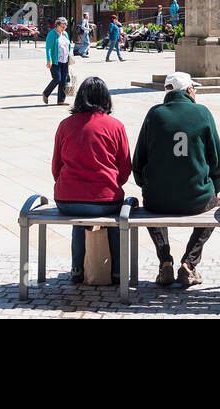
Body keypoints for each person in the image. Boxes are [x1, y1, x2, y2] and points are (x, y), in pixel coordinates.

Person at [132, 72, 220, 288]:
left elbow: (139, 159)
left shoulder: (154, 115)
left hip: (157, 199)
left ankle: (165, 261)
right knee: (215, 207)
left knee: (151, 202)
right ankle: (189, 264)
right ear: (189, 91)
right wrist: (216, 187)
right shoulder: (202, 113)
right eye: (194, 89)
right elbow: (217, 160)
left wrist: (145, 184)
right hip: (197, 198)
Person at [52, 77, 132, 284]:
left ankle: (77, 268)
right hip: (105, 200)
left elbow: (56, 166)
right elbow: (125, 168)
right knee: (114, 219)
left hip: (67, 200)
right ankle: (115, 271)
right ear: (106, 99)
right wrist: (110, 186)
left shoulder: (65, 125)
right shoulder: (115, 126)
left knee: (79, 219)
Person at [42, 17, 72, 105]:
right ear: (57, 25)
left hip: (64, 60)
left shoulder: (65, 34)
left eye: (65, 26)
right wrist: (49, 60)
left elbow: (68, 45)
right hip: (55, 61)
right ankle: (45, 93)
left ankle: (61, 100)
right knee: (57, 79)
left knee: (64, 80)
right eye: (62, 26)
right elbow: (48, 48)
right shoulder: (52, 34)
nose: (64, 28)